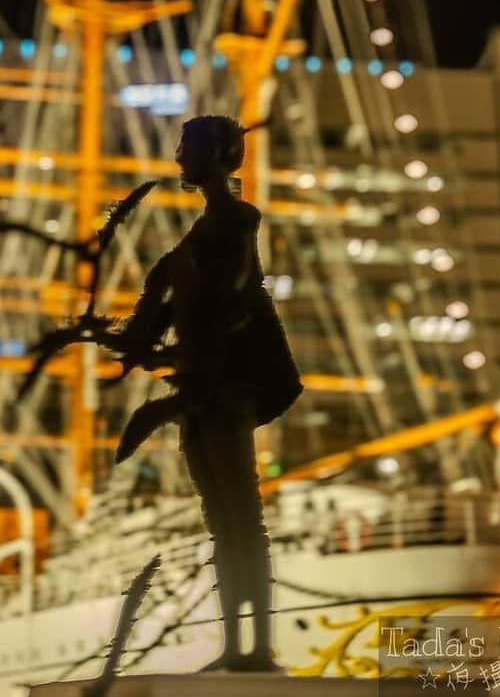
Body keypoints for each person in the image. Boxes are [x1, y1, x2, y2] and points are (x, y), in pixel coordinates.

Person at [113, 114, 303, 672]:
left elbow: (234, 294)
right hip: (204, 386)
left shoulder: (238, 219)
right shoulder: (203, 231)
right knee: (223, 520)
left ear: (217, 157)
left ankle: (256, 647)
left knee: (242, 517)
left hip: (225, 387)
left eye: (186, 148)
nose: (177, 158)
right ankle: (236, 646)